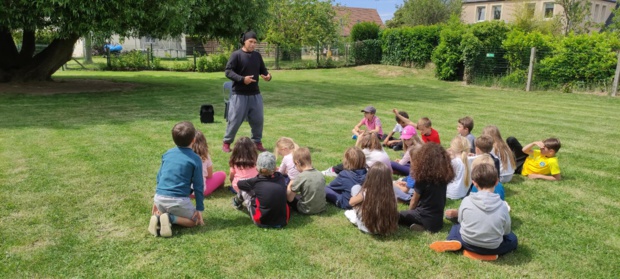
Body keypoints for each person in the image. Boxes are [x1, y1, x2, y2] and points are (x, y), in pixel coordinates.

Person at [429, 163, 517, 261]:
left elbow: (461, 221)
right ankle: (487, 255)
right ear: (497, 182)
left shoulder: (467, 200)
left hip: (468, 243)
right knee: (512, 239)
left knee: (456, 227)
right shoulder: (502, 205)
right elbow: (506, 230)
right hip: (493, 247)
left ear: (474, 183)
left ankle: (454, 241)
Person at [148, 121, 205, 238]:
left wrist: (155, 201)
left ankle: (159, 218)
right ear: (194, 140)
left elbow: (159, 178)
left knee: (163, 210)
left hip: (160, 198)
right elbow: (198, 186)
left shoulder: (167, 154)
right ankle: (170, 218)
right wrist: (199, 209)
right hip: (179, 201)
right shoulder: (195, 159)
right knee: (193, 221)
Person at [222, 31, 272, 153]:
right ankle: (227, 142)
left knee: (258, 119)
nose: (253, 44)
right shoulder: (236, 55)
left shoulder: (257, 56)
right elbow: (228, 71)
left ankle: (257, 142)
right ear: (244, 41)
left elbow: (264, 71)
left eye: (255, 42)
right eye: (251, 42)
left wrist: (268, 76)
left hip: (255, 94)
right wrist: (242, 79)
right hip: (239, 94)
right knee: (234, 120)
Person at [398, 143, 455, 232]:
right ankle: (423, 227)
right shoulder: (443, 177)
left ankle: (421, 225)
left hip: (422, 216)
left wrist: (409, 213)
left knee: (398, 215)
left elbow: (414, 201)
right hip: (437, 221)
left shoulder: (423, 178)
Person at [237, 152, 290, 228]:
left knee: (243, 191)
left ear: (257, 167)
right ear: (275, 168)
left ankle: (236, 203)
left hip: (262, 222)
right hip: (283, 221)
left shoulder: (256, 181)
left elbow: (240, 184)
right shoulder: (280, 178)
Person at [345, 162, 399, 235]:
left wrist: (360, 196)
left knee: (355, 188)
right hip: (385, 229)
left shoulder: (366, 192)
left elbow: (351, 202)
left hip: (367, 227)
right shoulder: (392, 194)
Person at [321, 131, 391, 177]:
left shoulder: (368, 151)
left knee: (350, 163)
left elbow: (352, 156)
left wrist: (358, 141)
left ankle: (333, 170)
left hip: (374, 176)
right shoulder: (380, 148)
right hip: (387, 175)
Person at [286, 147, 326, 214]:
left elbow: (290, 199)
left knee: (287, 197)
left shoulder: (300, 177)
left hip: (305, 209)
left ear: (297, 162)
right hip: (321, 207)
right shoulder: (320, 174)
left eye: (294, 165)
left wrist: (289, 185)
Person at [190, 130, 227, 197]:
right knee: (222, 174)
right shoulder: (205, 156)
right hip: (199, 191)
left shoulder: (183, 155)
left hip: (183, 191)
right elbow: (209, 175)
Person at [229, 137, 259, 207]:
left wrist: (232, 184)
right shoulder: (257, 160)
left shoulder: (234, 161)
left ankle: (240, 197)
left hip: (238, 185)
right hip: (254, 186)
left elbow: (231, 176)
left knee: (236, 189)